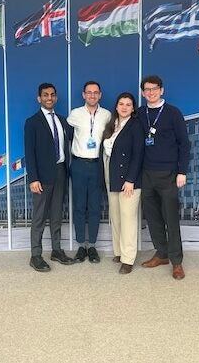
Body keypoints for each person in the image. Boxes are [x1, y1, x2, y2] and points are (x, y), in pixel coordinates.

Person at [138, 75, 191, 280]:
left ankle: (176, 262)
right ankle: (161, 254)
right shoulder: (140, 113)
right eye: (147, 89)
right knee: (152, 218)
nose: (150, 92)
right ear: (143, 93)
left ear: (162, 90)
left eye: (154, 89)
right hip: (146, 173)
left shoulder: (172, 113)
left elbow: (184, 145)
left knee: (170, 219)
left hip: (169, 174)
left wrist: (182, 172)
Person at [24, 83, 74, 272]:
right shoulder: (32, 122)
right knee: (39, 217)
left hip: (61, 172)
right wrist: (33, 179)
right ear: (39, 98)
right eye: (45, 95)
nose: (49, 98)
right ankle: (35, 255)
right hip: (42, 177)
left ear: (56, 98)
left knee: (56, 215)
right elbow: (30, 152)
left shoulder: (63, 121)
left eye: (52, 95)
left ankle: (56, 250)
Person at [67, 81, 112, 263]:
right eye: (89, 92)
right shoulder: (75, 114)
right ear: (83, 95)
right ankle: (80, 246)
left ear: (100, 95)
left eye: (95, 93)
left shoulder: (107, 115)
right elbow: (68, 136)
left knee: (94, 207)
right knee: (79, 207)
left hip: (96, 165)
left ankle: (92, 246)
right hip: (78, 165)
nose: (92, 96)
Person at [100, 92, 144, 274]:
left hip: (128, 181)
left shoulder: (135, 126)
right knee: (116, 218)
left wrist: (131, 180)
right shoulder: (112, 125)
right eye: (121, 104)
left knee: (128, 219)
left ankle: (128, 259)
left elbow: (138, 155)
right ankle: (119, 252)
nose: (124, 107)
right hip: (112, 176)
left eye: (128, 104)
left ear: (133, 108)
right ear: (116, 106)